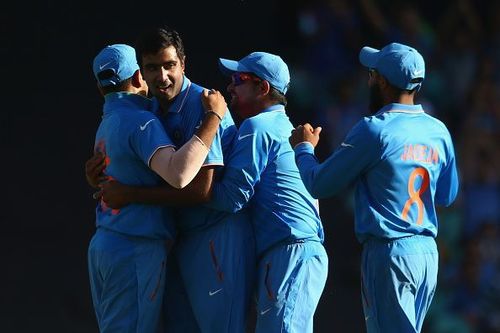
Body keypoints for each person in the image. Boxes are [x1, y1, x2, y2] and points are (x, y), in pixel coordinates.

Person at [86, 27, 255, 333]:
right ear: (140, 74)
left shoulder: (201, 105)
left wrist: (129, 193)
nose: (162, 76)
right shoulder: (147, 110)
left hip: (215, 232)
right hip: (176, 238)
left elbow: (200, 190)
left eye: (169, 65)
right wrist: (100, 175)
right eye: (152, 68)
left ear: (183, 64)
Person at [289, 42, 459, 333]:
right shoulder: (438, 130)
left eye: (371, 73)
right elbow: (447, 195)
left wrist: (304, 148)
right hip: (428, 255)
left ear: (381, 81)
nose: (368, 79)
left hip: (390, 254)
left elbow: (319, 183)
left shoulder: (374, 129)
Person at [207, 51, 328, 333]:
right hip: (295, 253)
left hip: (290, 253)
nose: (229, 86)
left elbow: (231, 197)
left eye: (239, 79)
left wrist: (180, 189)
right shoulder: (282, 127)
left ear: (262, 88)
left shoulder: (258, 126)